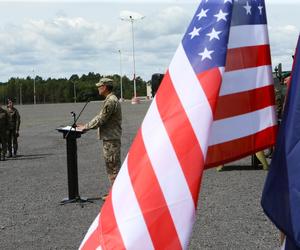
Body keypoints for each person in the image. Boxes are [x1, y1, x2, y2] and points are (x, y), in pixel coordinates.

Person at [77, 77, 122, 201]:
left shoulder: (111, 101)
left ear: (105, 87)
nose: (98, 88)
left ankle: (118, 196)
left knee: (113, 166)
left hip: (111, 139)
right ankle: (116, 193)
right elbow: (100, 116)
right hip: (110, 139)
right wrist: (86, 125)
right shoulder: (110, 99)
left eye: (100, 86)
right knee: (112, 166)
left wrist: (85, 127)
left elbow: (102, 118)